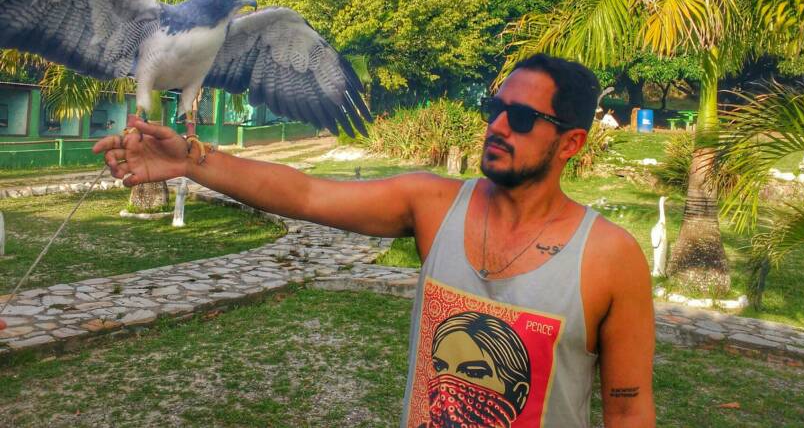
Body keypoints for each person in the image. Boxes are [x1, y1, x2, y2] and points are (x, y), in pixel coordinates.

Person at [89, 53, 655, 427]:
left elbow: (628, 413)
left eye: (523, 119)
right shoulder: (434, 205)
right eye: (495, 109)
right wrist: (189, 160)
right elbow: (306, 194)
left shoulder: (609, 258)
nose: (499, 126)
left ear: (571, 143)